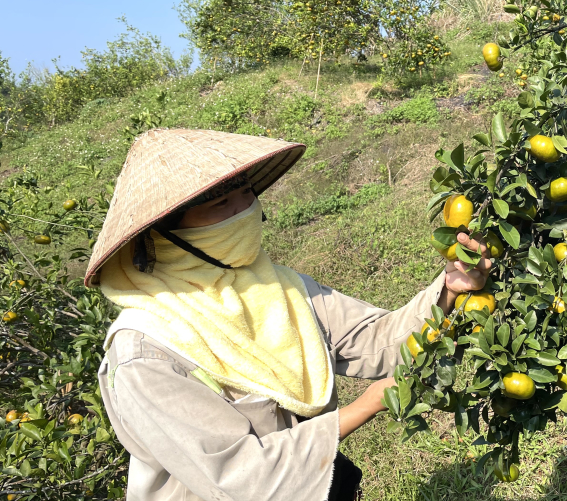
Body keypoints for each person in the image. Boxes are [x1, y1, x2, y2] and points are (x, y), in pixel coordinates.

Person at [86, 129, 492, 501]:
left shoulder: (278, 288)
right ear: (163, 233)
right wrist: (364, 406)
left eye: (246, 193)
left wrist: (448, 291)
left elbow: (376, 341)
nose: (244, 210)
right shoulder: (147, 352)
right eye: (222, 203)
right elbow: (241, 476)